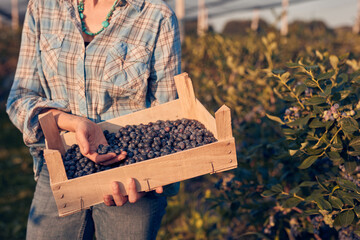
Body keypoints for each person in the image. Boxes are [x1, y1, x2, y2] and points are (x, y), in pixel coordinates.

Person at [6, 0, 181, 239]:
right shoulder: (43, 7)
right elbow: (20, 97)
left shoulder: (155, 15)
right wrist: (69, 122)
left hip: (129, 169)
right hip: (62, 164)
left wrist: (153, 174)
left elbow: (167, 115)